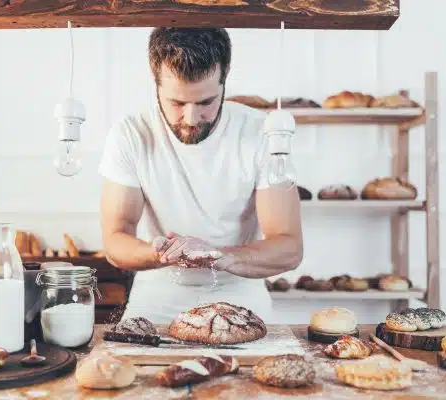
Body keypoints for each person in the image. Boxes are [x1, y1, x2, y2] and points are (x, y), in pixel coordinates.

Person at [98, 27, 303, 324]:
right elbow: (116, 240)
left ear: (224, 79)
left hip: (240, 295)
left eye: (206, 102)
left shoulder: (262, 132)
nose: (192, 119)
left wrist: (222, 257)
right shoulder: (130, 134)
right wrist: (162, 254)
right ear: (155, 84)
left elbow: (289, 246)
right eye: (177, 103)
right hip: (156, 298)